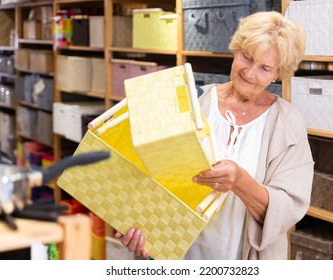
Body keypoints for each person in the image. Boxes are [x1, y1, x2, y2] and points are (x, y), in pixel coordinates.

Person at [114, 11, 314, 260]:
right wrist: (139, 227)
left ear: (278, 74)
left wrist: (240, 181)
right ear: (236, 49)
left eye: (264, 68)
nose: (250, 73)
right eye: (246, 57)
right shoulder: (193, 101)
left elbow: (287, 210)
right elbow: (146, 177)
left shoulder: (288, 124)